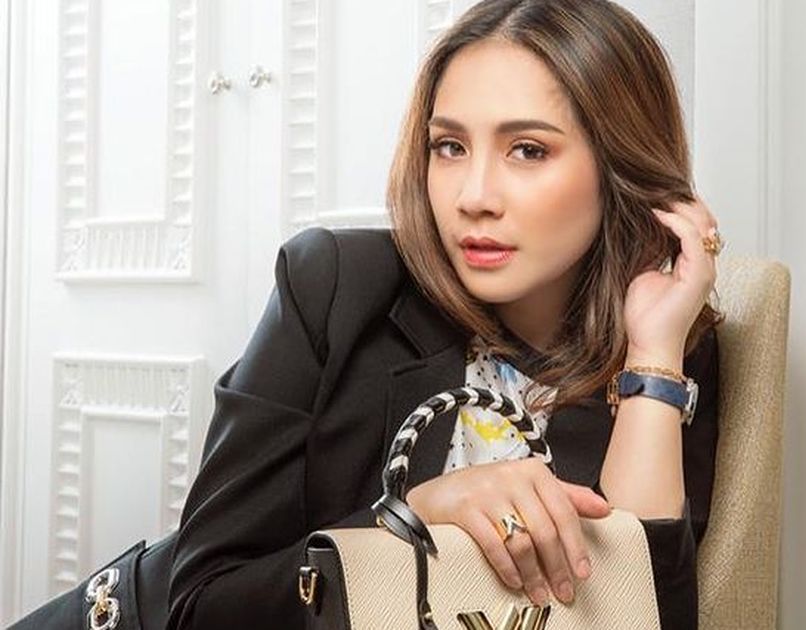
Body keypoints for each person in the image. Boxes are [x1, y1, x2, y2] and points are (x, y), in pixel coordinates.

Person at [167, 0, 725, 628]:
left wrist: (653, 356)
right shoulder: (331, 287)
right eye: (450, 146)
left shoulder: (664, 344)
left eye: (528, 150)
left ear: (619, 165)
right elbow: (201, 607)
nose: (473, 197)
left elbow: (639, 612)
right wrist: (411, 518)